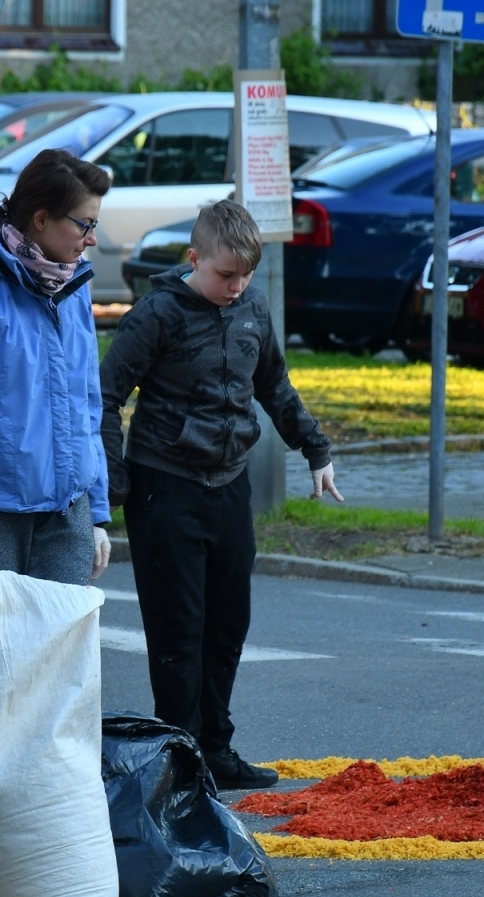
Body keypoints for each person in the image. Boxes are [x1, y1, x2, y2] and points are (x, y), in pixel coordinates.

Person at [100, 199, 343, 791]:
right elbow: (105, 396)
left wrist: (315, 449)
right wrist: (113, 485)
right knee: (178, 633)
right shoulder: (156, 314)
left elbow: (274, 384)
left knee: (227, 625)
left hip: (229, 485)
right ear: (194, 259)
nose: (236, 287)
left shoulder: (252, 307)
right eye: (225, 274)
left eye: (246, 275)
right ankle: (179, 760)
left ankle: (216, 750)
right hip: (165, 487)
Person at [0, 148, 112, 586]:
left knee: (62, 634)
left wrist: (97, 511)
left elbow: (88, 403)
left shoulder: (75, 282)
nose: (91, 238)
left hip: (68, 513)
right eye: (85, 224)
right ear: (41, 219)